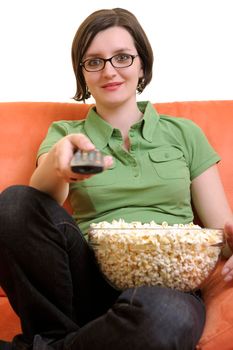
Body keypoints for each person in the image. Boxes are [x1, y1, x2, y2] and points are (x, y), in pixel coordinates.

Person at [0, 7, 233, 350]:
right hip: (85, 281)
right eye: (94, 61)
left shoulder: (184, 133)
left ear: (142, 64)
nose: (109, 71)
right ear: (83, 72)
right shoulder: (68, 134)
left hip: (165, 286)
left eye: (122, 57)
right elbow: (33, 207)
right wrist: (61, 164)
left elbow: (221, 231)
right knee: (14, 202)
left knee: (165, 319)